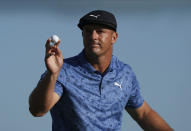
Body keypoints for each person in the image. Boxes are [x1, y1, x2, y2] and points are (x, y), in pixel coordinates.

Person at [29, 10, 173, 131]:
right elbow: (38, 110)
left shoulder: (124, 73)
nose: (93, 36)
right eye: (88, 31)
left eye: (100, 31)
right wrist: (52, 74)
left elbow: (143, 113)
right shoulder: (63, 70)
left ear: (114, 38)